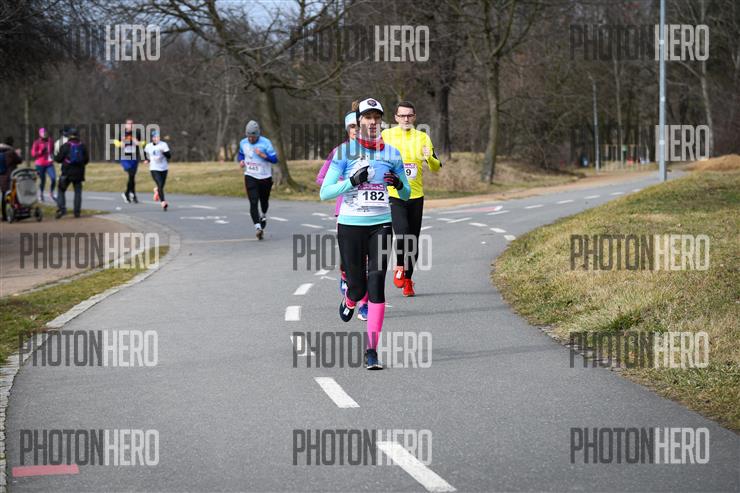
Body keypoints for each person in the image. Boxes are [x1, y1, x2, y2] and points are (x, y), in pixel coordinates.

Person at [319, 97, 410, 370]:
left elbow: (406, 193)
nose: (372, 122)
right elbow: (325, 192)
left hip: (381, 225)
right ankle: (350, 299)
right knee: (358, 286)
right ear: (358, 121)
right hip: (350, 225)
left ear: (381, 121)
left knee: (376, 282)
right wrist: (351, 181)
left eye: (376, 118)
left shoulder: (392, 153)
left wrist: (398, 184)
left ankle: (372, 350)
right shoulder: (344, 152)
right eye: (367, 117)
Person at [381, 101, 441, 297]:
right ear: (396, 117)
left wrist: (429, 157)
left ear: (414, 117)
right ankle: (399, 266)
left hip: (416, 196)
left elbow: (436, 167)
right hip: (395, 194)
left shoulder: (422, 137)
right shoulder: (386, 135)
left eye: (409, 115)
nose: (406, 119)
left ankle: (408, 279)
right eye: (402, 115)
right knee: (403, 233)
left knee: (413, 241)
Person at [316, 112, 358, 309]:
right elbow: (321, 179)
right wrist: (345, 182)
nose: (356, 130)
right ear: (347, 129)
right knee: (348, 255)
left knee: (367, 259)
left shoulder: (375, 151)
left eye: (359, 126)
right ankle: (345, 274)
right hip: (344, 211)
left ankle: (364, 304)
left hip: (369, 212)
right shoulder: (339, 152)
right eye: (352, 127)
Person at [237, 120, 278, 240]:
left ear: (258, 135)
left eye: (253, 137)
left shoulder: (266, 143)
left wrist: (263, 155)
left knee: (264, 201)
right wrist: (241, 160)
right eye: (249, 136)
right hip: (250, 175)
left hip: (265, 177)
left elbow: (275, 159)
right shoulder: (243, 142)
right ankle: (258, 228)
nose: (250, 139)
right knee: (253, 201)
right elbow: (241, 154)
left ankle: (263, 215)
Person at [54, 128, 89, 218]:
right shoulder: (82, 146)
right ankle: (77, 212)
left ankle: (62, 209)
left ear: (69, 136)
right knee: (78, 193)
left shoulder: (65, 146)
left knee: (61, 190)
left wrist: (56, 156)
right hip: (79, 173)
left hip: (67, 173)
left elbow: (58, 159)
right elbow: (86, 160)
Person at [117, 119, 144, 203]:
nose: (130, 125)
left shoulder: (137, 133)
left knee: (132, 176)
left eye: (132, 124)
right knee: (131, 174)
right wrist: (121, 143)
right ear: (126, 125)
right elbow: (116, 143)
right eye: (129, 124)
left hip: (134, 157)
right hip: (124, 157)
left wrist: (138, 142)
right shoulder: (121, 133)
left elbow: (143, 143)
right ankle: (130, 194)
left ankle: (130, 193)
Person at [144, 130, 171, 211]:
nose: (156, 138)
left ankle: (157, 190)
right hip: (154, 168)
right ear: (152, 138)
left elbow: (169, 156)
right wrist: (147, 160)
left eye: (158, 137)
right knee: (160, 185)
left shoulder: (163, 145)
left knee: (161, 185)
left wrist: (163, 152)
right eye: (155, 137)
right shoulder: (148, 146)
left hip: (164, 168)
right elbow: (145, 153)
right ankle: (163, 202)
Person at [0, 137, 23, 222]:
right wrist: (19, 154)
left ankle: (4, 215)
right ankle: (15, 213)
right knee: (14, 194)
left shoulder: (1, 151)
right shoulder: (11, 152)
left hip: (2, 176)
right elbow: (19, 160)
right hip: (11, 175)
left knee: (4, 195)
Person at [31, 128, 56, 201]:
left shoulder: (50, 141)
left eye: (45, 132)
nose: (44, 134)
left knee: (53, 178)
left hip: (49, 163)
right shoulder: (37, 142)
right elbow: (33, 154)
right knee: (42, 180)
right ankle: (41, 194)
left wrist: (52, 156)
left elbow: (53, 150)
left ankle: (51, 193)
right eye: (42, 132)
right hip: (40, 164)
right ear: (40, 134)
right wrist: (40, 151)